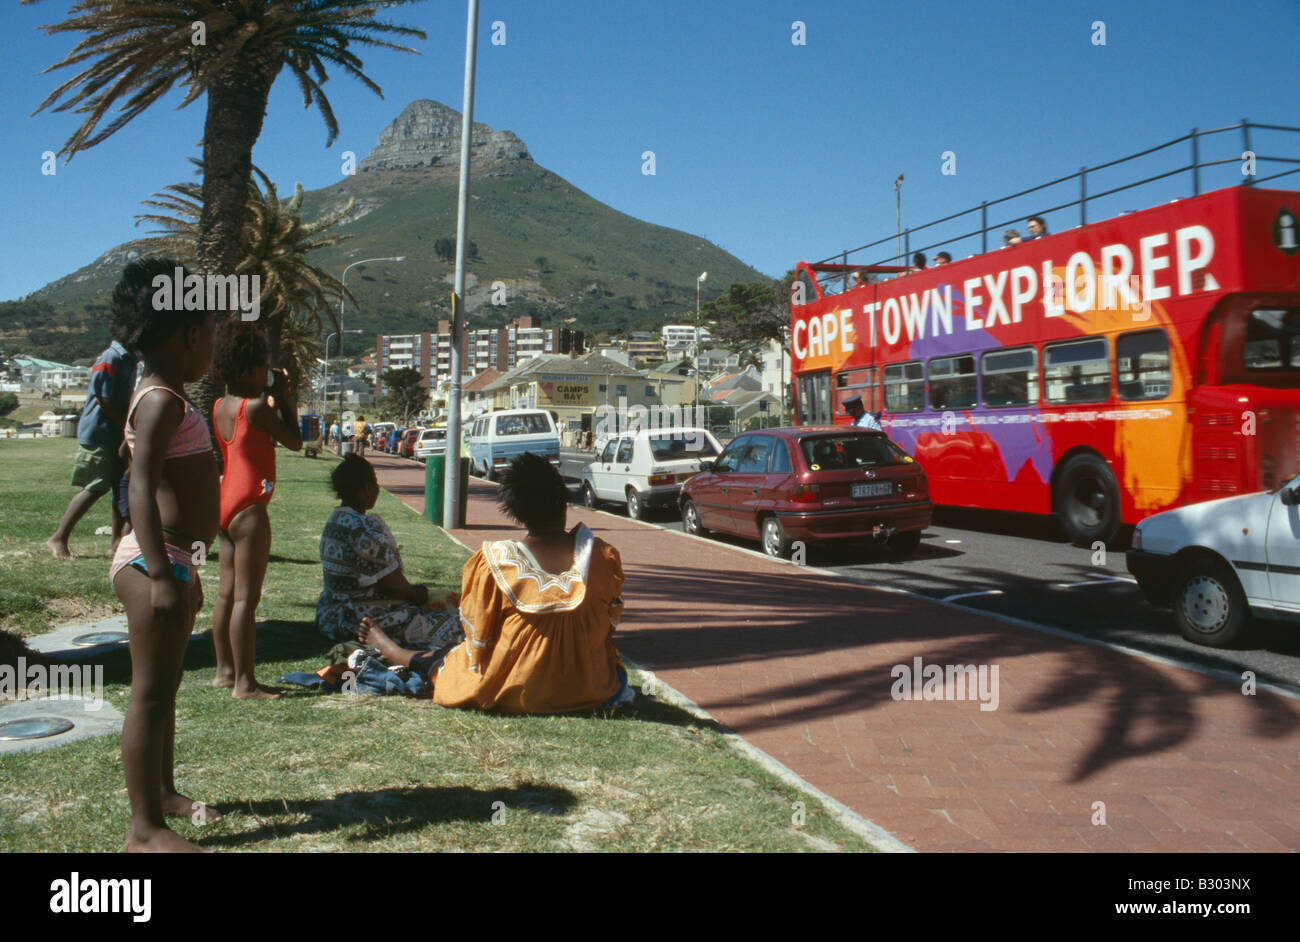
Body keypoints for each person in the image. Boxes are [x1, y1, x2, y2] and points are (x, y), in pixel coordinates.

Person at [358, 452, 632, 714]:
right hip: (590, 688)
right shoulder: (601, 556)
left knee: (452, 660)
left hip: (516, 691)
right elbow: (607, 623)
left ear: (515, 512)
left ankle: (394, 652)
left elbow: (477, 637)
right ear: (563, 504)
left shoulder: (495, 562)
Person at [107, 258, 220, 852]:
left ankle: (166, 792)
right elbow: (139, 486)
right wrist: (160, 574)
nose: (214, 345)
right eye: (211, 332)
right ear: (187, 336)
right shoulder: (158, 400)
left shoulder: (166, 393)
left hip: (177, 558)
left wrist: (186, 569)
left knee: (166, 687)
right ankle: (144, 830)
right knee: (149, 692)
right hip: (155, 560)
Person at [209, 323, 302, 700]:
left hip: (226, 501)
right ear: (247, 369)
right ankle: (245, 684)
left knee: (226, 594)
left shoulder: (221, 405)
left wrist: (274, 398)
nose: (267, 371)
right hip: (250, 506)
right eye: (262, 365)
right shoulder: (256, 408)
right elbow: (295, 441)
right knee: (247, 597)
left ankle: (224, 671)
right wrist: (287, 398)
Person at [317, 454, 462, 649]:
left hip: (330, 616)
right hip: (361, 622)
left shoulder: (335, 521)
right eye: (375, 482)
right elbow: (397, 588)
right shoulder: (364, 532)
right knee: (458, 623)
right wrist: (419, 594)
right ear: (367, 488)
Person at [48, 338, 139, 559]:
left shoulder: (131, 359)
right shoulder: (111, 357)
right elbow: (104, 399)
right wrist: (125, 426)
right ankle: (59, 537)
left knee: (121, 487)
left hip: (117, 431)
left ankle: (116, 541)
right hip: (100, 432)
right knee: (96, 486)